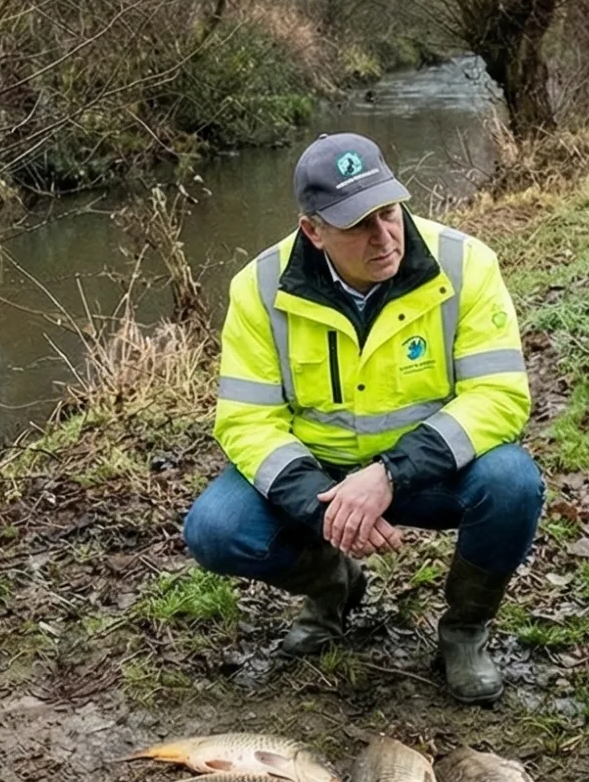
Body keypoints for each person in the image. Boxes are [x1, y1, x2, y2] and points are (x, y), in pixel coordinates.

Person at [183, 133, 542, 702]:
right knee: (215, 529)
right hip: (321, 477)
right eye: (357, 224)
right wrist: (325, 508)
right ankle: (334, 585)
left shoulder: (464, 263)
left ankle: (465, 629)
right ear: (313, 231)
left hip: (427, 475)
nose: (384, 236)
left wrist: (389, 474)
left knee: (513, 483)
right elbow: (246, 421)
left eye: (389, 212)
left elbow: (498, 395)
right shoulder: (259, 287)